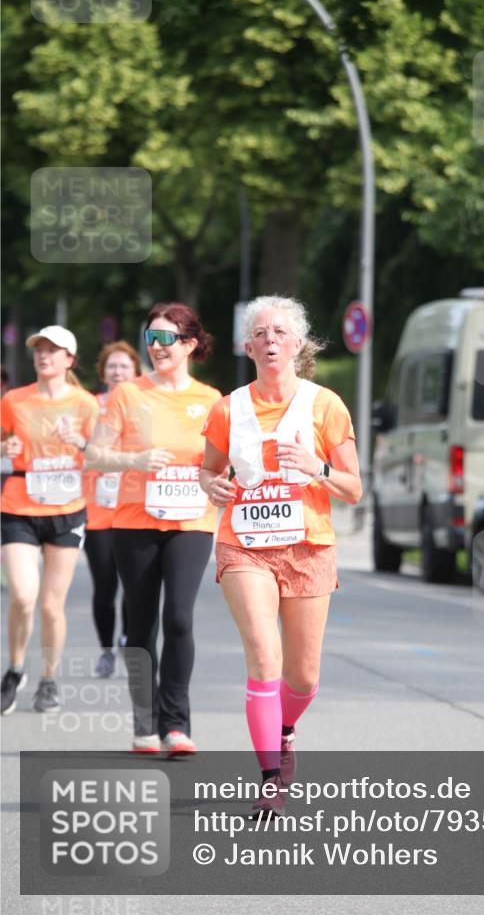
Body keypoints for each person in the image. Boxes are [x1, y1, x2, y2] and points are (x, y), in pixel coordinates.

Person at [200, 295, 362, 816]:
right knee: (264, 658)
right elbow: (208, 470)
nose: (270, 340)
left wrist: (316, 468)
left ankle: (285, 729)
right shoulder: (228, 407)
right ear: (247, 347)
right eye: (261, 333)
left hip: (308, 545)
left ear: (298, 344)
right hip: (244, 544)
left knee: (304, 676)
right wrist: (214, 487)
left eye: (280, 332)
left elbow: (354, 488)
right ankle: (271, 779)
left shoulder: (325, 404)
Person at [86, 303, 221, 757]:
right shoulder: (127, 394)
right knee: (140, 623)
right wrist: (135, 461)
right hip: (135, 522)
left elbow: (224, 462)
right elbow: (94, 455)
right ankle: (144, 724)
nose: (155, 347)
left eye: (165, 338)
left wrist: (226, 480)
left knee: (179, 617)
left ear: (188, 344)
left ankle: (176, 725)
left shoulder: (210, 400)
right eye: (150, 337)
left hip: (191, 521)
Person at [1, 326, 98, 715]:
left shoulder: (87, 404)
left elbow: (104, 456)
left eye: (53, 350)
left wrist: (81, 443)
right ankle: (15, 668)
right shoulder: (14, 400)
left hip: (67, 509)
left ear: (69, 360)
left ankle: (49, 679)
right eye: (39, 349)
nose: (44, 356)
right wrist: (3, 448)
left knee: (51, 606)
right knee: (24, 595)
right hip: (20, 506)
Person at [83, 341, 142, 679]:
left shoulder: (144, 406)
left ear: (135, 372)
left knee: (134, 584)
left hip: (133, 507)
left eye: (124, 366)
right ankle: (106, 648)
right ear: (103, 373)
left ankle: (125, 637)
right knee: (105, 586)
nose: (118, 372)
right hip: (98, 511)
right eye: (112, 366)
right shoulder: (89, 407)